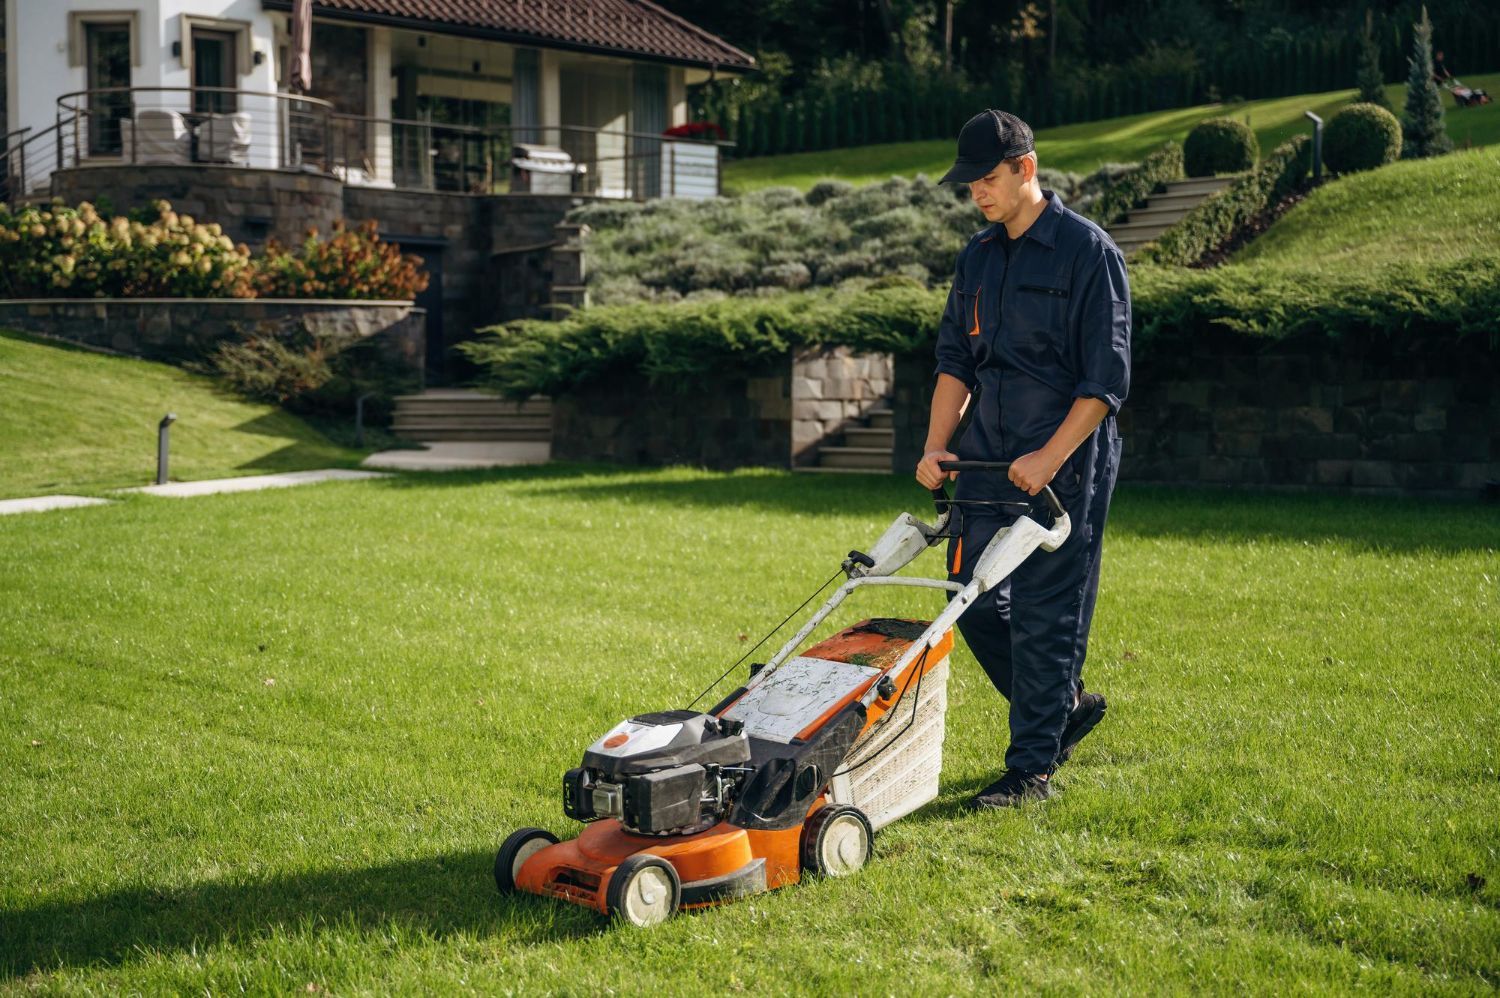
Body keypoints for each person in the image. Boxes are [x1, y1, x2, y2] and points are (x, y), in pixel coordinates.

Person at [914, 109, 1131, 809]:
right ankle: (1060, 703)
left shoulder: (1087, 252)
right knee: (967, 599)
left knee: (1045, 610)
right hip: (984, 457)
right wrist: (937, 446)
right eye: (969, 183)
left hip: (1062, 456)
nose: (977, 192)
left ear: (1026, 169)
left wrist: (1048, 456)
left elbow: (1105, 382)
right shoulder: (977, 255)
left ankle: (1031, 772)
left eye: (987, 179)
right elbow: (955, 361)